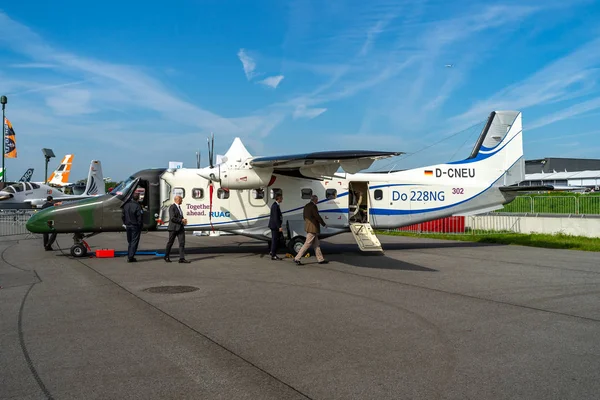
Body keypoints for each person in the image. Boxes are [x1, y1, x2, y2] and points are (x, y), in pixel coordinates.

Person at [294, 195, 328, 265]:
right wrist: (324, 224)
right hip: (313, 227)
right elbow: (317, 216)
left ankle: (320, 259)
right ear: (315, 200)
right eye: (317, 200)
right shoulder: (313, 206)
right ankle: (297, 258)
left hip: (309, 226)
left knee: (316, 244)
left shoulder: (306, 206)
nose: (317, 201)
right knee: (307, 244)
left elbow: (304, 216)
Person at [164, 195, 190, 263]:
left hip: (180, 228)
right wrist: (181, 220)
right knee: (170, 242)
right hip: (173, 228)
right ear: (177, 200)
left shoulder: (179, 207)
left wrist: (183, 220)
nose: (182, 201)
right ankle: (166, 256)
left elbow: (180, 216)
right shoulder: (172, 207)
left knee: (182, 243)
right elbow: (172, 218)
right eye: (181, 199)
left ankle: (181, 258)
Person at [121, 192, 143, 262]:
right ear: (138, 198)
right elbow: (140, 217)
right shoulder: (138, 206)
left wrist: (125, 223)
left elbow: (123, 216)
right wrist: (140, 225)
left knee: (130, 241)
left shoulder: (126, 205)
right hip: (135, 225)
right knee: (134, 241)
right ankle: (130, 257)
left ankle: (129, 254)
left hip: (128, 225)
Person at [268, 193, 283, 260]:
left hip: (274, 225)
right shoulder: (275, 206)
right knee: (275, 240)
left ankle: (272, 251)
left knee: (275, 239)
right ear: (278, 198)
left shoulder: (276, 205)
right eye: (281, 198)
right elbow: (275, 217)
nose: (282, 199)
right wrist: (279, 226)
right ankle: (273, 255)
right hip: (275, 226)